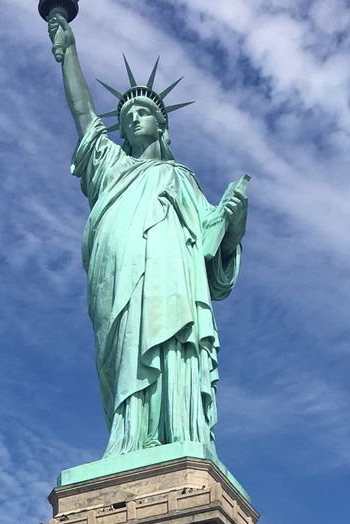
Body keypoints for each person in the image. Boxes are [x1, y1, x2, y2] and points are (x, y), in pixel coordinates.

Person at [46, 16, 247, 460]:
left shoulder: (181, 180)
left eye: (143, 114)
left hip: (169, 282)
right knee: (124, 356)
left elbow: (215, 259)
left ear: (162, 125)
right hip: (116, 280)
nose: (134, 118)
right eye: (127, 114)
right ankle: (130, 439)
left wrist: (234, 222)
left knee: (172, 344)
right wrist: (68, 51)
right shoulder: (110, 168)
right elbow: (83, 114)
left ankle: (177, 436)